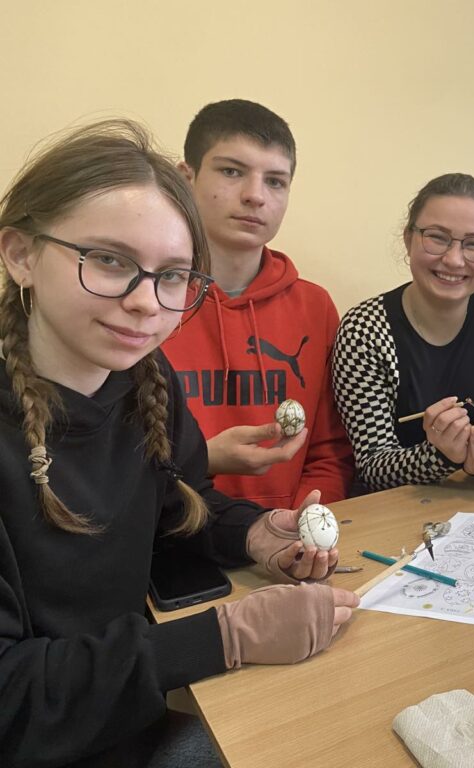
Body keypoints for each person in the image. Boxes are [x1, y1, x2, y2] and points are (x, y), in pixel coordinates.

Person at [0, 120, 358, 767]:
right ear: (21, 253)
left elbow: (178, 507)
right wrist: (224, 637)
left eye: (172, 276)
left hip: (123, 714)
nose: (146, 303)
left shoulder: (145, 379)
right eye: (109, 260)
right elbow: (10, 697)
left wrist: (255, 534)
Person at [162, 99, 354, 509]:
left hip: (288, 533)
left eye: (275, 181)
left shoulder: (315, 306)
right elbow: (115, 462)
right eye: (232, 171)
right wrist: (201, 460)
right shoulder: (148, 298)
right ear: (186, 178)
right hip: (169, 531)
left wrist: (302, 520)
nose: (255, 196)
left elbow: (329, 452)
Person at [332, 173, 474, 491]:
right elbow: (373, 464)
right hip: (401, 508)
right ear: (408, 239)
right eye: (437, 238)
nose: (453, 260)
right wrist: (441, 456)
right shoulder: (364, 330)